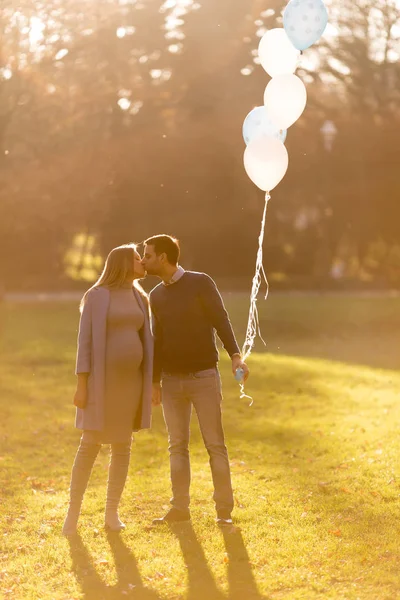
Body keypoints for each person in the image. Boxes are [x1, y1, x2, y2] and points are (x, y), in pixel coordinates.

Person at [141, 234, 249, 526]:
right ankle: (180, 508)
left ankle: (224, 510)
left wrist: (235, 355)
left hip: (204, 377)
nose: (143, 260)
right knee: (176, 446)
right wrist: (154, 382)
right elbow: (157, 339)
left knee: (215, 445)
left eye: (148, 255)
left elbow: (220, 319)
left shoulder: (201, 282)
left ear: (163, 257)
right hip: (171, 381)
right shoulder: (156, 295)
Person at [62, 244, 153, 535]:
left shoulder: (141, 297)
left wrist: (151, 383)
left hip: (131, 384)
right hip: (102, 383)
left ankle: (111, 513)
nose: (143, 262)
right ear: (124, 263)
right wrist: (82, 385)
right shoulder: (96, 296)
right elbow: (84, 343)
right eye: (138, 258)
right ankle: (72, 515)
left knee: (123, 446)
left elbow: (146, 339)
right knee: (90, 444)